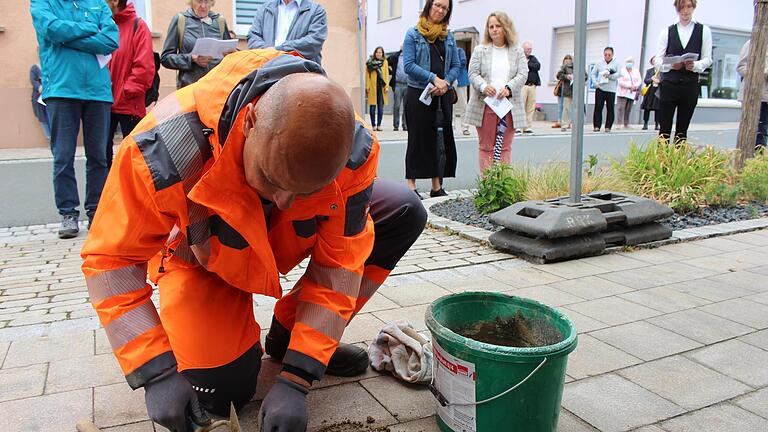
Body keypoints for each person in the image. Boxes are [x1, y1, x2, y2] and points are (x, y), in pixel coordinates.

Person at [81, 50, 427, 432]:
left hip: (274, 246)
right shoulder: (161, 148)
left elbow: (339, 269)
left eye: (304, 191)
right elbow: (111, 262)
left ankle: (289, 337)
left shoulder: (352, 150)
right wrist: (156, 372)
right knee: (221, 392)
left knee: (402, 210)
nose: (283, 202)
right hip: (199, 260)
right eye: (273, 179)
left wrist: (298, 375)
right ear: (249, 122)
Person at [30, 0, 119, 239]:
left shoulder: (98, 4)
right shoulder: (42, 3)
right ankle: (68, 213)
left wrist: (68, 37)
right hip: (61, 89)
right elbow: (51, 29)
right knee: (63, 156)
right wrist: (91, 30)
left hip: (98, 91)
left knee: (99, 156)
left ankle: (97, 211)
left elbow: (111, 40)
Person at [402, 0, 460, 198]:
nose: (440, 10)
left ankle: (437, 186)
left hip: (442, 95)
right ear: (429, 5)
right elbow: (408, 65)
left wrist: (446, 83)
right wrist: (433, 78)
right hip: (419, 94)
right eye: (437, 5)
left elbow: (456, 65)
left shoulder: (449, 36)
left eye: (445, 8)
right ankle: (411, 185)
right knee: (417, 138)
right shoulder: (413, 34)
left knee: (439, 139)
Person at [466, 11, 527, 173]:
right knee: (486, 147)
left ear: (506, 27)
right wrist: (483, 86)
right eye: (491, 26)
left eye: (498, 26)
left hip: (508, 105)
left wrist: (509, 88)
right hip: (486, 105)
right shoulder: (480, 50)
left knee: (505, 147)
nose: (494, 29)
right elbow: (472, 73)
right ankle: (488, 187)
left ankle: (502, 186)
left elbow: (523, 74)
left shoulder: (517, 51)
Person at [105, 0, 155, 171]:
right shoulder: (103, 25)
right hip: (103, 101)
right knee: (101, 157)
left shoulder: (138, 26)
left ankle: (132, 196)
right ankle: (106, 195)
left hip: (129, 104)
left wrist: (126, 91)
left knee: (135, 158)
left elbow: (145, 68)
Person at [654, 0, 712, 142]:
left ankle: (678, 161)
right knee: (664, 129)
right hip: (669, 84)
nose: (685, 11)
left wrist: (696, 65)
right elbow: (657, 60)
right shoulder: (667, 31)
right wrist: (670, 66)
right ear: (677, 9)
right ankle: (662, 161)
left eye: (688, 7)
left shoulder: (703, 30)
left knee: (682, 130)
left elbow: (708, 59)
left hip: (690, 84)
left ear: (693, 7)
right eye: (682, 7)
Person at [161, 0, 232, 89]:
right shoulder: (181, 20)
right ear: (191, 2)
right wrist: (191, 59)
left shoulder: (220, 21)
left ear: (212, 2)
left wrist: (230, 55)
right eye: (199, 1)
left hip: (216, 89)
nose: (203, 6)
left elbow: (230, 55)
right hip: (190, 89)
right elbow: (165, 58)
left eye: (206, 1)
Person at [247, 0, 328, 65]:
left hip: (300, 70)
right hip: (266, 67)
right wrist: (268, 52)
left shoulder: (316, 11)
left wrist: (279, 50)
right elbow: (253, 37)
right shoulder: (265, 9)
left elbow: (314, 42)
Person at [737, 39, 768, 149]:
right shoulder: (753, 42)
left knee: (764, 131)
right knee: (757, 131)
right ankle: (753, 160)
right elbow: (741, 68)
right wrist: (762, 73)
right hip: (754, 95)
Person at [591, 46, 619, 132]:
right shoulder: (599, 63)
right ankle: (597, 126)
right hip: (601, 88)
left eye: (609, 55)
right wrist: (596, 83)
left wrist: (610, 76)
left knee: (610, 108)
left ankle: (608, 126)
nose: (607, 56)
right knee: (598, 107)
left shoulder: (616, 63)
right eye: (605, 54)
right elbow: (593, 74)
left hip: (611, 89)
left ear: (612, 55)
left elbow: (619, 74)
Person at [365, 46, 389, 131]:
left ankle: (379, 125)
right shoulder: (370, 63)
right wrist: (367, 87)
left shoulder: (385, 62)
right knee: (372, 107)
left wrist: (386, 86)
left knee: (380, 108)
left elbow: (386, 74)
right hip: (372, 87)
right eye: (377, 52)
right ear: (375, 53)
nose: (379, 54)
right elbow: (367, 75)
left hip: (381, 87)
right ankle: (373, 125)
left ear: (382, 54)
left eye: (380, 52)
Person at [520, 40, 540, 134]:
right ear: (523, 49)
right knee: (521, 106)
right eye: (528, 49)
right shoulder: (519, 58)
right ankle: (519, 126)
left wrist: (528, 65)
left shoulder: (533, 58)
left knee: (530, 107)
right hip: (522, 86)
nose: (529, 50)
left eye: (530, 49)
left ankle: (528, 126)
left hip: (532, 85)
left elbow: (537, 66)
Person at [616, 56, 642, 129]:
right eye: (628, 62)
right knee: (621, 107)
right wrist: (629, 86)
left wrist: (635, 86)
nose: (629, 63)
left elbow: (639, 80)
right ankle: (619, 123)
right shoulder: (622, 70)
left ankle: (626, 123)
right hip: (623, 92)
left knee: (628, 108)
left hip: (632, 92)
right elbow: (620, 81)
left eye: (631, 62)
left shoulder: (636, 71)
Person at [387, 46, 408, 131]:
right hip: (398, 84)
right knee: (397, 105)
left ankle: (405, 125)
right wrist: (391, 72)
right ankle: (396, 125)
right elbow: (385, 63)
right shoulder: (395, 56)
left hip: (408, 84)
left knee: (406, 106)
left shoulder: (410, 56)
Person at [29, 63, 50, 140]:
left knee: (53, 116)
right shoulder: (35, 67)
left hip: (50, 95)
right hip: (39, 96)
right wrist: (39, 87)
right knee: (42, 118)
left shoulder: (51, 65)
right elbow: (33, 80)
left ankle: (55, 139)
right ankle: (49, 137)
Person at [641, 57, 661, 130]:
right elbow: (646, 80)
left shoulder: (661, 71)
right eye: (654, 61)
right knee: (647, 108)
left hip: (658, 91)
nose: (655, 62)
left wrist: (659, 81)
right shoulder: (649, 71)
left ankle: (656, 124)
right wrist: (651, 79)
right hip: (650, 90)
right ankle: (645, 124)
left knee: (658, 109)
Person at [555, 55, 574, 132]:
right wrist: (567, 76)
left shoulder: (580, 66)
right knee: (566, 107)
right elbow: (559, 75)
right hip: (567, 90)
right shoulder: (565, 67)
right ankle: (564, 124)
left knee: (575, 108)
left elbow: (585, 76)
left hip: (577, 90)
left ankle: (574, 123)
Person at [454, 47, 470, 135]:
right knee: (449, 106)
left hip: (461, 81)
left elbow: (463, 62)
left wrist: (452, 66)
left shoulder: (460, 51)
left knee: (463, 105)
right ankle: (451, 126)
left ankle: (465, 127)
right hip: (449, 81)